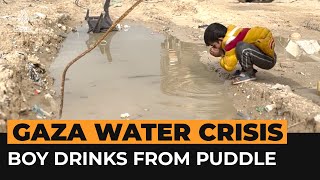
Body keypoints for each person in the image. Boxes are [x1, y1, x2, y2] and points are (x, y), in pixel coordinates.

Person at [203, 22, 277, 84]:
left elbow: (229, 66)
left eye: (214, 45)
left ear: (220, 39)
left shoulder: (229, 41)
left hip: (269, 60)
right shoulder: (231, 33)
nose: (214, 48)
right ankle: (246, 71)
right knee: (239, 48)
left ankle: (249, 74)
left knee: (240, 47)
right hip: (264, 54)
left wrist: (221, 54)